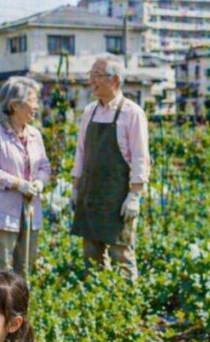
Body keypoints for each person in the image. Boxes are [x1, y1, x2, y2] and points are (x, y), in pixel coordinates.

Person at [70, 54, 150, 280]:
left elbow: (140, 158)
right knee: (91, 254)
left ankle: (127, 296)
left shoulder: (132, 113)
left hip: (118, 196)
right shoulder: (90, 111)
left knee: (121, 253)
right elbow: (81, 153)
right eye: (91, 74)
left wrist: (134, 196)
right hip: (90, 193)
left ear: (115, 80)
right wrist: (75, 188)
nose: (92, 81)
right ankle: (97, 294)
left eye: (97, 75)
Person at [0, 76, 51, 275]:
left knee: (26, 266)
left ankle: (22, 295)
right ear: (15, 105)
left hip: (30, 211)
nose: (37, 106)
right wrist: (18, 184)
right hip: (3, 213)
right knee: (2, 268)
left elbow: (44, 166)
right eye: (33, 100)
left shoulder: (35, 135)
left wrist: (40, 182)